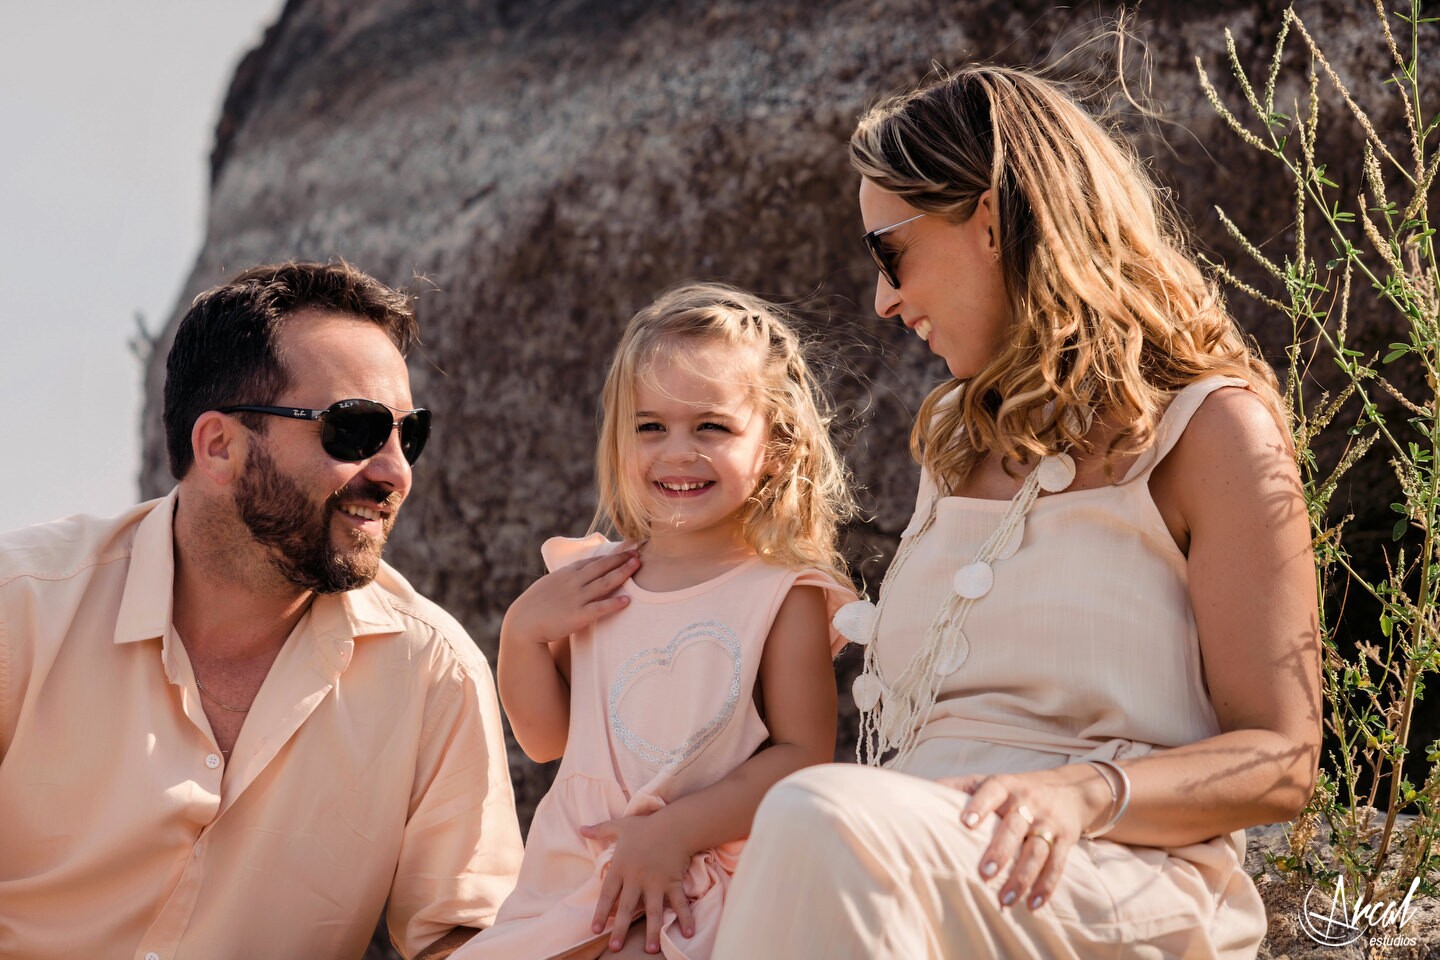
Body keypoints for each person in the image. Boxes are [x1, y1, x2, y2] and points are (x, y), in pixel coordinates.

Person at [712, 65, 1321, 959]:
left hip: (1108, 868)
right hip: (907, 857)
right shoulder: (960, 435)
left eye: (890, 252)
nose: (881, 299)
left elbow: (1280, 758)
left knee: (815, 818)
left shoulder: (1211, 429)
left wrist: (1085, 791)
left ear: (992, 221)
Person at [0, 261, 523, 960]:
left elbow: (464, 934)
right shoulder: (22, 607)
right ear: (219, 446)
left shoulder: (433, 672)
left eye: (410, 434)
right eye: (357, 429)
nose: (396, 471)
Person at [455, 283, 860, 960]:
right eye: (651, 427)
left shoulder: (781, 594)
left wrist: (674, 832)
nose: (677, 451)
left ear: (778, 447)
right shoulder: (592, 576)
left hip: (701, 882)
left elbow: (802, 757)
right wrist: (522, 634)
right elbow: (547, 738)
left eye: (711, 426)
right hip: (576, 877)